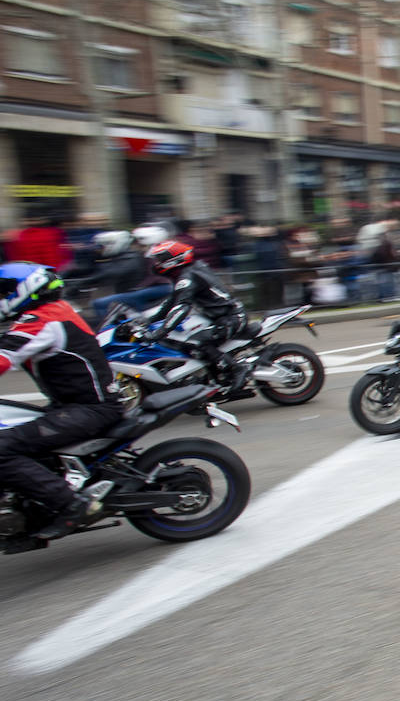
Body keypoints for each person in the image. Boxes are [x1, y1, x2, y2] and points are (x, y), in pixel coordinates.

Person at [0, 263, 123, 540]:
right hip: (73, 405)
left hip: (91, 409)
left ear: (25, 289)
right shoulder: (47, 314)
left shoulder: (43, 320)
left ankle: (75, 505)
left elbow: (5, 356)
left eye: (3, 292)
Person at [141, 240, 252, 392]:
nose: (156, 264)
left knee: (195, 342)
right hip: (219, 316)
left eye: (160, 260)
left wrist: (160, 332)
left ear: (174, 259)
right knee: (181, 337)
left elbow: (181, 307)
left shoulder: (188, 277)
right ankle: (211, 375)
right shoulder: (188, 272)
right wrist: (147, 321)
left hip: (231, 318)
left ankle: (237, 369)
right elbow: (170, 303)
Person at [76, 231, 171, 322]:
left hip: (159, 287)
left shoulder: (150, 254)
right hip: (147, 288)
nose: (135, 246)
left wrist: (84, 282)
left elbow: (113, 272)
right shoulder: (138, 254)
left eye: (139, 243)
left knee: (99, 303)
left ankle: (107, 331)